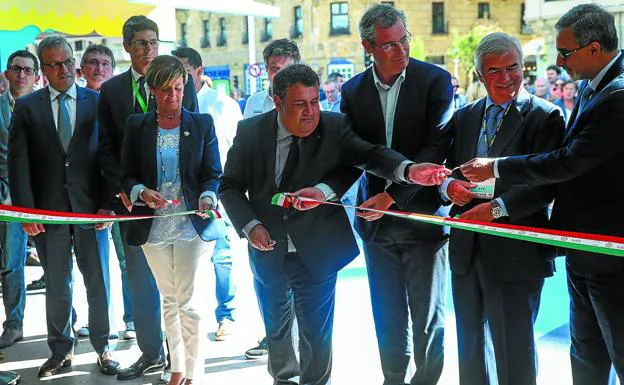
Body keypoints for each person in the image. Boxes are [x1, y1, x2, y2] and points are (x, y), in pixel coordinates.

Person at [220, 63, 448, 385]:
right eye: (300, 104)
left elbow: (372, 155)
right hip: (268, 251)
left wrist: (408, 171)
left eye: (315, 102)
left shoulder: (334, 127)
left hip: (317, 252)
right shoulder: (250, 132)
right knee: (277, 335)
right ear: (277, 102)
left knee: (317, 337)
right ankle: (283, 380)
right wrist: (250, 225)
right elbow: (229, 187)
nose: (310, 112)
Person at [460, 4, 624, 385]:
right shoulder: (592, 86)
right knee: (586, 352)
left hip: (610, 257)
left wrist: (497, 167)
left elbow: (566, 164)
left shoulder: (617, 95)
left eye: (564, 53)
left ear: (594, 49)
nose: (557, 61)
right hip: (582, 251)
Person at [437, 32, 564, 385]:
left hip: (516, 254)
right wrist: (450, 187)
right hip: (466, 251)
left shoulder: (545, 116)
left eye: (513, 67)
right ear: (479, 75)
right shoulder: (464, 117)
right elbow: (447, 170)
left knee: (514, 353)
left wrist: (495, 210)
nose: (506, 77)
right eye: (495, 70)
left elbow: (547, 185)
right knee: (471, 349)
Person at [340, 4, 454, 384]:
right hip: (375, 226)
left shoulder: (435, 80)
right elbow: (353, 149)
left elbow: (436, 147)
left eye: (404, 39)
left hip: (423, 220)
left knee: (428, 319)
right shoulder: (351, 91)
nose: (400, 50)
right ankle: (393, 378)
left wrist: (392, 196)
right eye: (389, 45)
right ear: (367, 46)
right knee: (387, 317)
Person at [7, 35, 119, 377]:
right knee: (57, 283)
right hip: (47, 213)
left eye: (68, 62)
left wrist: (107, 205)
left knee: (98, 282)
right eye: (55, 64)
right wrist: (27, 212)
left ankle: (104, 347)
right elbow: (18, 164)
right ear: (43, 70)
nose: (64, 69)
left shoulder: (97, 102)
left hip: (91, 212)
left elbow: (108, 158)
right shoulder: (28, 107)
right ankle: (60, 351)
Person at [98, 15, 198, 381]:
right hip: (135, 204)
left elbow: (198, 138)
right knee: (141, 281)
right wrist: (124, 188)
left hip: (180, 206)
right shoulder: (111, 92)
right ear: (126, 47)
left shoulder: (180, 83)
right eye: (140, 43)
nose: (148, 49)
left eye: (154, 42)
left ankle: (182, 362)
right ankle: (150, 353)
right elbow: (106, 149)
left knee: (181, 293)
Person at [121, 54, 225, 385]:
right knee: (169, 299)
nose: (174, 97)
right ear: (152, 90)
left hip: (191, 224)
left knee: (190, 301)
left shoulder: (202, 123)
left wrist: (208, 197)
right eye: (166, 90)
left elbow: (213, 174)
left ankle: (194, 373)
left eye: (179, 88)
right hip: (153, 226)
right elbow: (125, 175)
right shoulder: (135, 126)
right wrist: (140, 192)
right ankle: (177, 367)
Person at [172, 46, 241, 341]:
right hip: (179, 195)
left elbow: (234, 148)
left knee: (221, 255)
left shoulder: (222, 105)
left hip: (216, 189)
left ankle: (226, 314)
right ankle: (187, 320)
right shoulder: (167, 102)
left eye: (185, 71)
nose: (180, 79)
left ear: (199, 71)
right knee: (183, 261)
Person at [240, 37, 301, 360]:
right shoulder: (253, 104)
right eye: (273, 69)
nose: (277, 76)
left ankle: (296, 350)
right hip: (262, 210)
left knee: (298, 287)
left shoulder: (308, 104)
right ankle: (274, 338)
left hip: (300, 214)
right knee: (266, 284)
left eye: (284, 70)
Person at [0, 50, 40, 349]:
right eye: (16, 69)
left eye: (27, 70)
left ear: (37, 76)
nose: (21, 75)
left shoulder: (45, 107)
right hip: (7, 199)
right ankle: (14, 323)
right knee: (12, 264)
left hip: (45, 198)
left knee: (58, 264)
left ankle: (67, 322)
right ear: (7, 74)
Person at [243, 38, 300, 118]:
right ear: (266, 67)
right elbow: (246, 130)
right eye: (275, 69)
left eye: (287, 70)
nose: (281, 75)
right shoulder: (253, 102)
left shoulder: (307, 103)